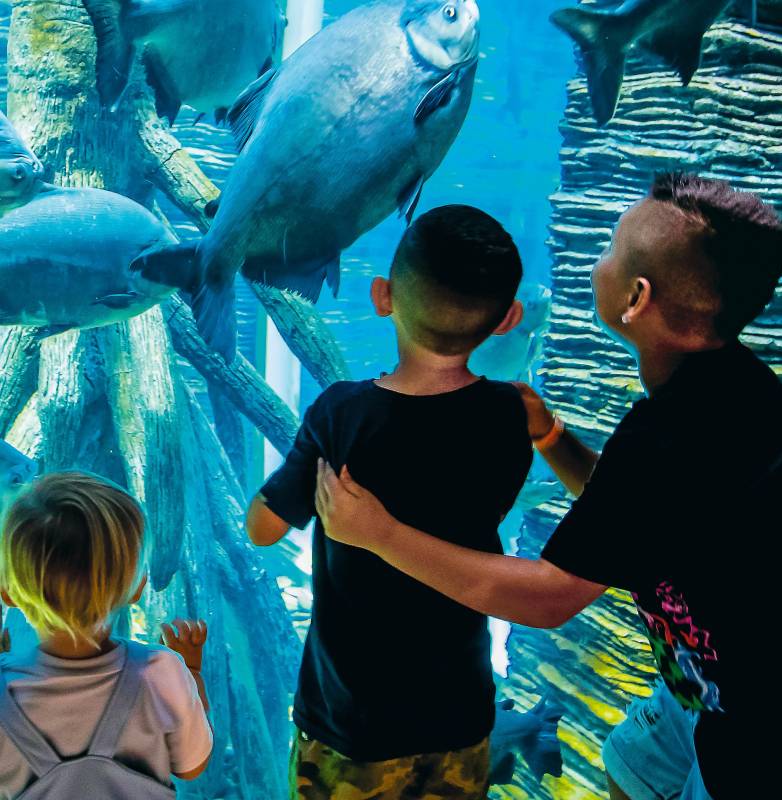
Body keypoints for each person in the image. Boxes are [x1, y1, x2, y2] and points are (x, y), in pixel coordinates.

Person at [315, 173, 782, 800]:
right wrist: (549, 435)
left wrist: (380, 535)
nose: (598, 260)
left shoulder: (671, 435)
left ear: (636, 299)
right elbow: (633, 511)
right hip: (707, 682)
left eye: (609, 251)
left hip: (767, 727)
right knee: (631, 768)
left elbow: (548, 598)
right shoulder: (727, 387)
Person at [246, 205, 534, 799]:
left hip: (353, 723)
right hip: (459, 713)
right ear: (508, 319)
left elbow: (264, 528)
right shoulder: (509, 414)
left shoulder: (343, 413)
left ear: (382, 296)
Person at [0, 472, 213, 797]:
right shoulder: (162, 672)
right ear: (137, 587)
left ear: (7, 592)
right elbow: (191, 766)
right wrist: (191, 673)